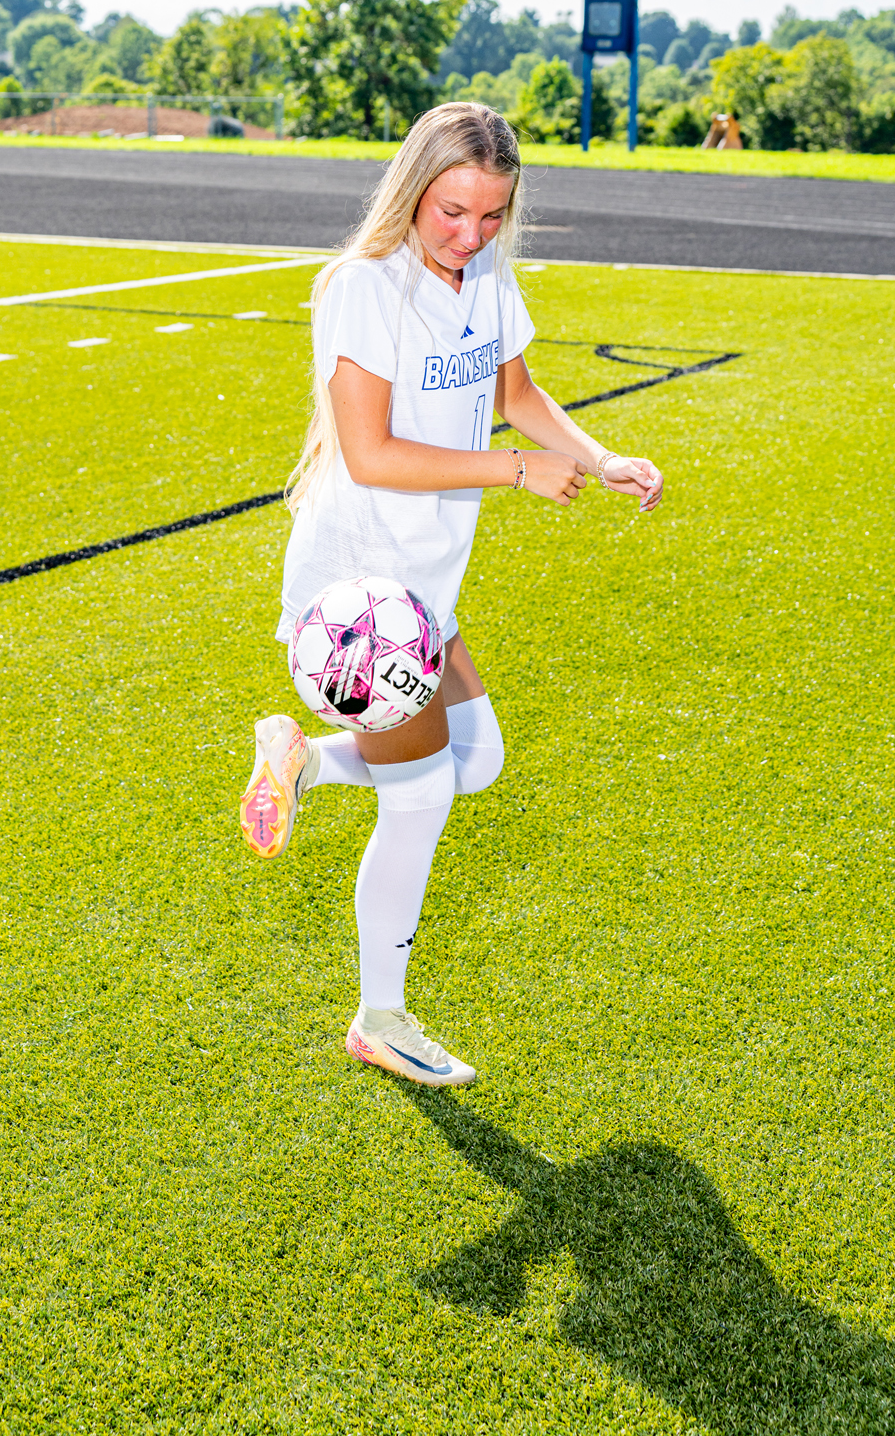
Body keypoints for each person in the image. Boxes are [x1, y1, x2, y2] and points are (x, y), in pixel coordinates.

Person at [239, 102, 663, 1087]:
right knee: (422, 793)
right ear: (412, 190)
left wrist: (599, 457)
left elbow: (516, 393)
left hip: (422, 580)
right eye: (452, 211)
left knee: (476, 760)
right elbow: (370, 453)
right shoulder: (362, 286)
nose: (470, 234)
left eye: (491, 215)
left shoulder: (487, 276)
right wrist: (513, 471)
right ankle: (379, 1019)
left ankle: (301, 760)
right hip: (359, 593)